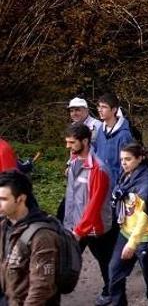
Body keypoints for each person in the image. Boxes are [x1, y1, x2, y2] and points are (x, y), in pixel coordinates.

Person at [64, 123, 116, 306]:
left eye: (71, 143)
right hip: (78, 224)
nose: (68, 146)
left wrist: (78, 231)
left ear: (84, 141)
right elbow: (73, 196)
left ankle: (112, 292)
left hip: (95, 227)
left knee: (106, 262)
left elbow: (94, 205)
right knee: (67, 257)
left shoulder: (98, 170)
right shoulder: (74, 162)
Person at [0, 172, 60, 306]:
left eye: (3, 199)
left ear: (20, 199)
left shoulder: (42, 236)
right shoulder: (5, 225)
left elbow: (41, 287)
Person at [108, 143, 148, 306]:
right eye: (122, 159)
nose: (123, 163)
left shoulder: (146, 181)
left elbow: (144, 215)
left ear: (140, 158)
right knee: (114, 273)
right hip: (125, 231)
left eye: (128, 159)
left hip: (143, 237)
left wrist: (132, 243)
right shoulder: (126, 175)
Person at [93, 93, 134, 182]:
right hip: (98, 180)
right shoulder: (100, 129)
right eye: (99, 107)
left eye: (104, 107)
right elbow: (96, 152)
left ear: (114, 110)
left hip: (114, 184)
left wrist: (119, 186)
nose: (100, 110)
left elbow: (126, 165)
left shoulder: (124, 135)